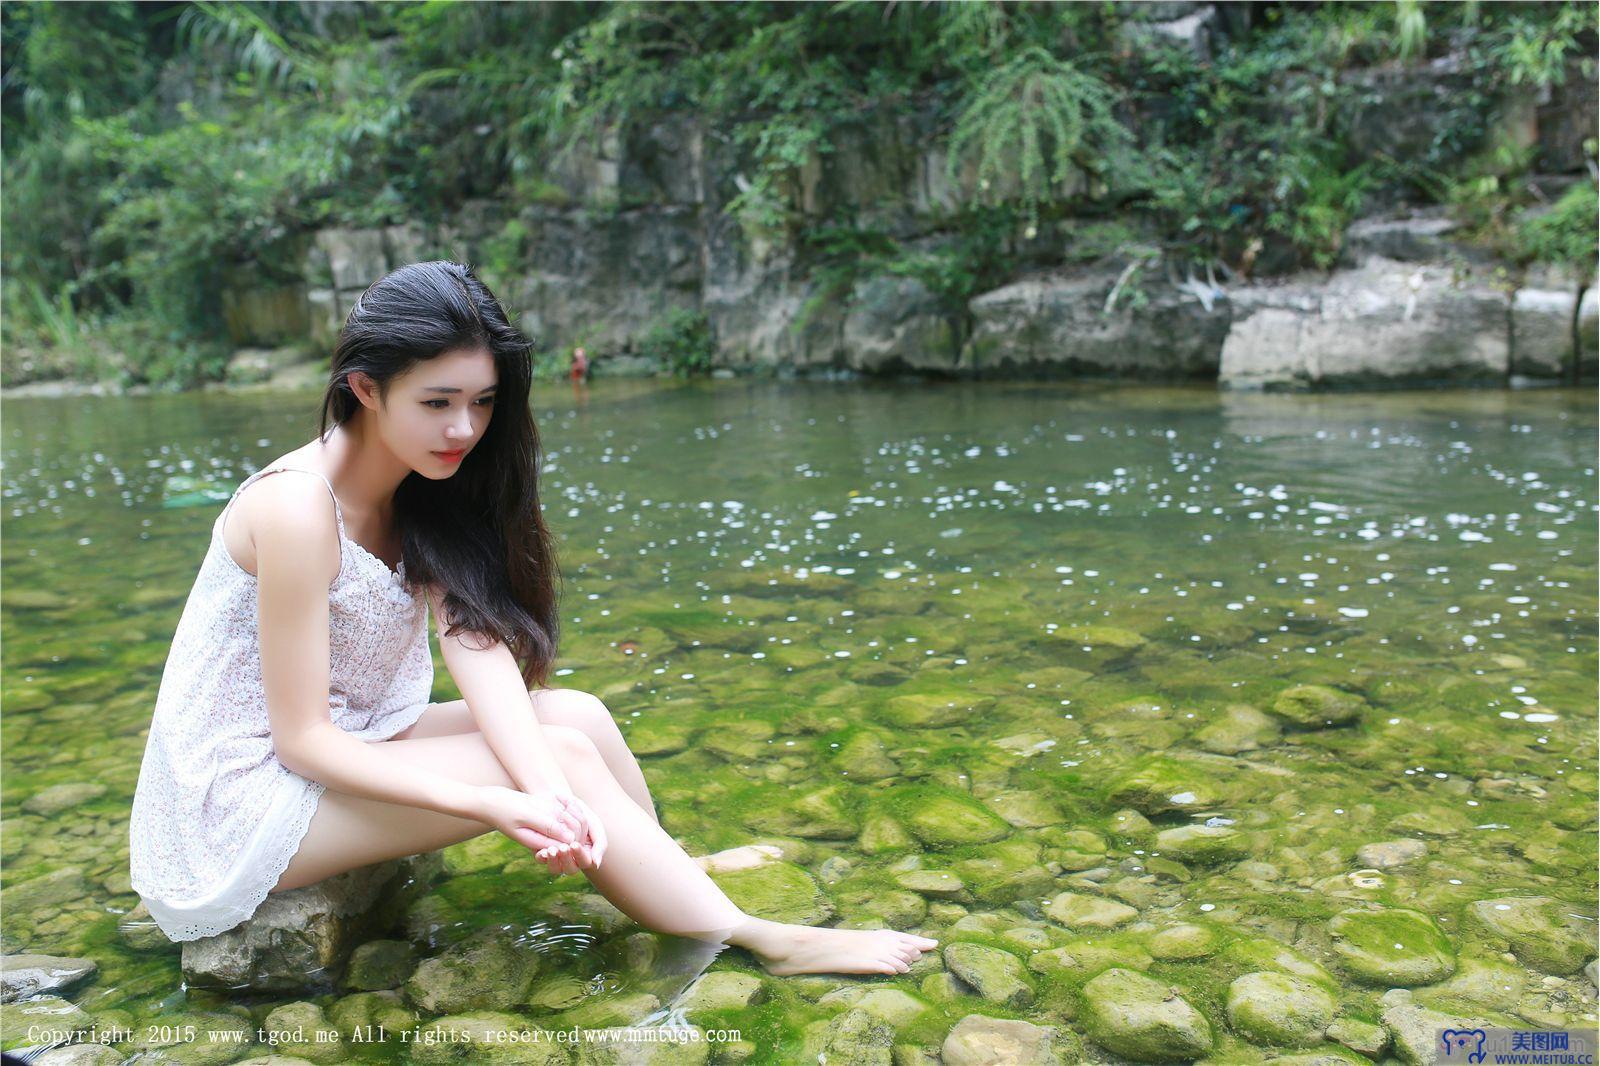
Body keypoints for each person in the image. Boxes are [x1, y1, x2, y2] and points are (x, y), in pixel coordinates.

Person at [127, 260, 936, 977]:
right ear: (364, 389)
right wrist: (498, 804)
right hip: (244, 801)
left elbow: (477, 654)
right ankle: (758, 938)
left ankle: (666, 864)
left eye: (481, 402)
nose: (464, 430)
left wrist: (547, 797)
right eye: (437, 401)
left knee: (576, 718)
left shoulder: (425, 483)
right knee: (560, 762)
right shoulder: (296, 508)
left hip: (354, 740)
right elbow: (302, 740)